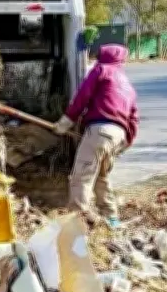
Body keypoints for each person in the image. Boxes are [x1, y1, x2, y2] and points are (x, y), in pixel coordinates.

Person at [54, 44, 138, 230]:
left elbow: (83, 96)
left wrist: (67, 120)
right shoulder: (127, 85)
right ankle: (111, 218)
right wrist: (125, 143)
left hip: (100, 130)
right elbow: (134, 119)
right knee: (101, 176)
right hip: (118, 135)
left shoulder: (101, 70)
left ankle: (77, 222)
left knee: (81, 176)